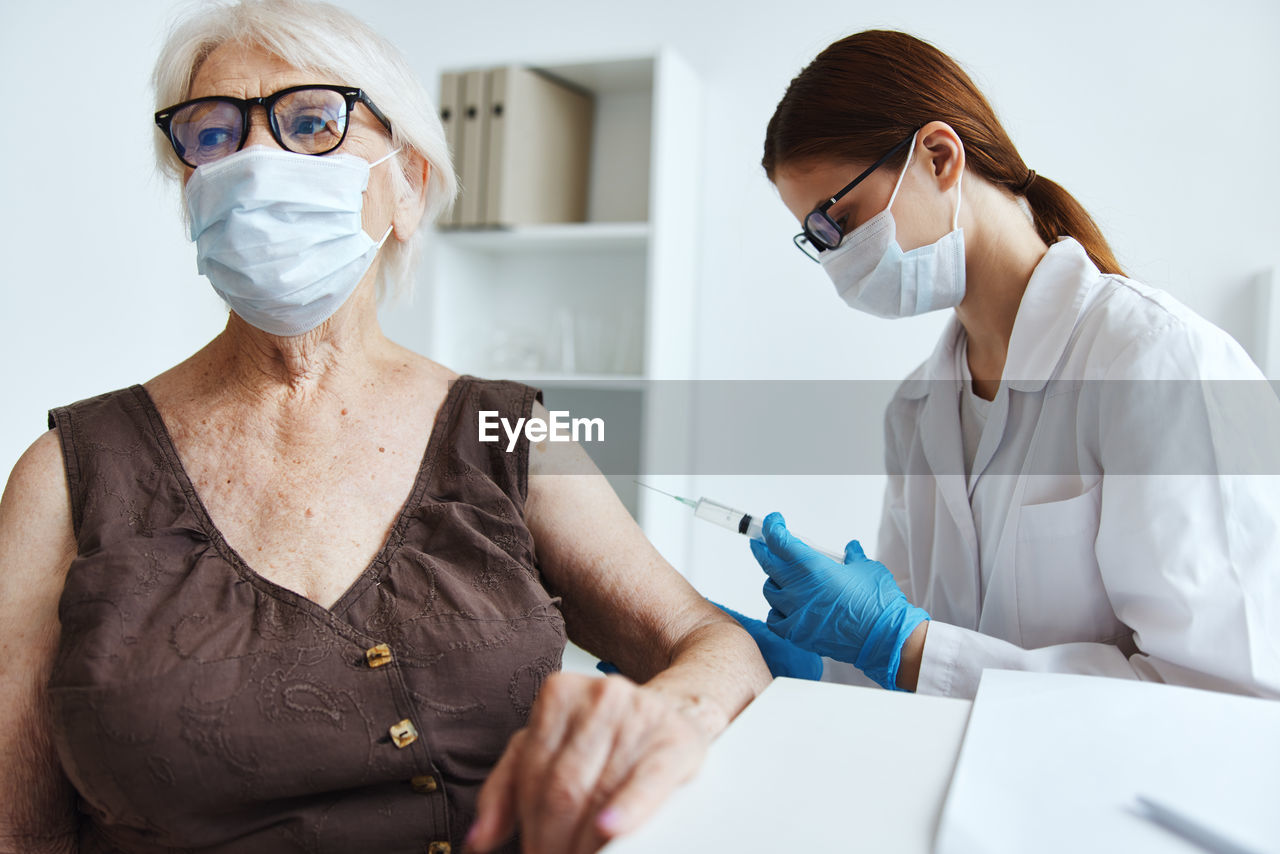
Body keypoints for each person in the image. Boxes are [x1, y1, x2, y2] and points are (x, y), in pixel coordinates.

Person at [0, 2, 770, 852]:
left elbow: (711, 643)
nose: (259, 162)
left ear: (409, 185)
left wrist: (666, 715)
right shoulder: (65, 476)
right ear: (186, 186)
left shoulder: (505, 432)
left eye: (311, 122)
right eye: (213, 134)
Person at [745, 30, 1280, 698]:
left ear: (939, 157)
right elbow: (911, 667)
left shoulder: (1154, 361)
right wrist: (807, 665)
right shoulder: (916, 412)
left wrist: (900, 644)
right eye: (816, 240)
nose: (836, 258)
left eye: (838, 220)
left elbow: (1220, 697)